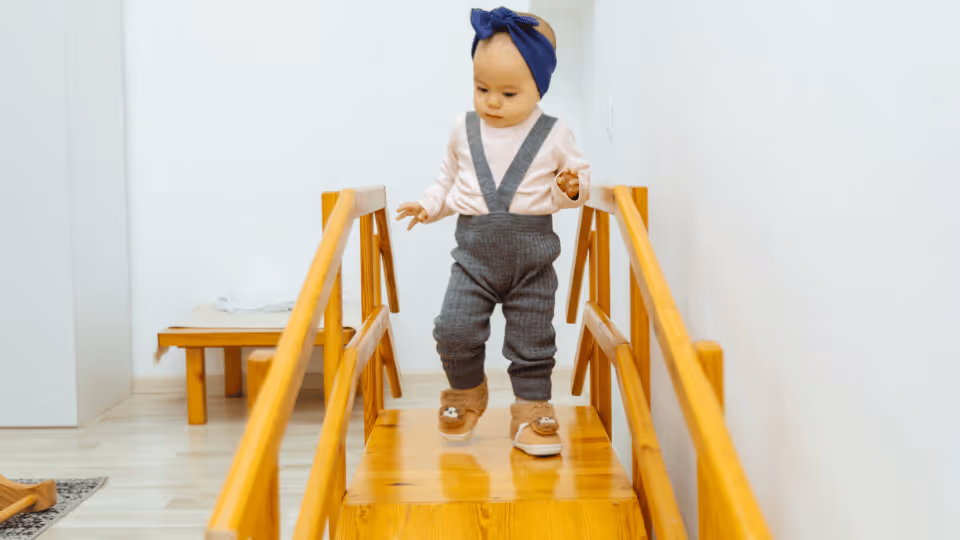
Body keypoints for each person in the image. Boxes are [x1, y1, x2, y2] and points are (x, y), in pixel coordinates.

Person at [396, 6, 591, 457]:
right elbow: (449, 183)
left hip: (533, 263)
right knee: (453, 330)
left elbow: (575, 181)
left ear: (539, 88)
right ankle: (466, 392)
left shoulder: (554, 133)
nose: (492, 101)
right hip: (474, 261)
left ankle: (531, 410)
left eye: (508, 92)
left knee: (533, 340)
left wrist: (571, 187)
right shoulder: (462, 131)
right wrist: (427, 207)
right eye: (481, 88)